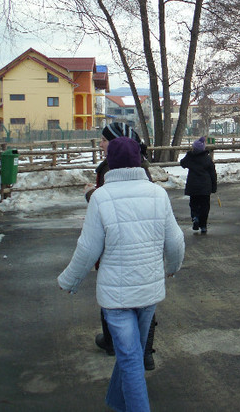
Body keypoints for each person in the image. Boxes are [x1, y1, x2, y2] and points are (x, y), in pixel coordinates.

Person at [58, 137, 185, 412]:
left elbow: (88, 248)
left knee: (129, 358)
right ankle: (118, 403)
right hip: (149, 291)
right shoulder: (157, 193)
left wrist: (70, 280)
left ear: (110, 163)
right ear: (139, 161)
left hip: (115, 297)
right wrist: (173, 267)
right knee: (132, 355)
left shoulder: (101, 197)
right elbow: (174, 239)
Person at [85, 122, 158, 370]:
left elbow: (106, 204)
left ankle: (113, 343)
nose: (101, 143)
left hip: (117, 244)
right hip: (142, 243)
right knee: (144, 296)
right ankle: (144, 351)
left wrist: (90, 195)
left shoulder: (111, 167)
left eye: (105, 140)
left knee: (113, 297)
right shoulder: (142, 165)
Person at [180, 136, 218, 234]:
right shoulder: (207, 158)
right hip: (205, 187)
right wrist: (214, 187)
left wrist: (189, 154)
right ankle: (203, 225)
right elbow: (213, 174)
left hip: (193, 187)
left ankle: (195, 218)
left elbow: (182, 163)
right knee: (205, 206)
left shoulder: (190, 158)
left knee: (194, 204)